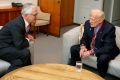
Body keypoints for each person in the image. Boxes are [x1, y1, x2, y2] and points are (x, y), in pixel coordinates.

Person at [69, 9, 119, 78]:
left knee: (103, 59)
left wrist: (90, 52)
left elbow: (107, 48)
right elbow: (84, 38)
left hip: (104, 49)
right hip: (92, 46)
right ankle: (78, 69)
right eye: (90, 18)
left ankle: (100, 77)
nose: (90, 21)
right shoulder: (87, 23)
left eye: (93, 19)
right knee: (74, 49)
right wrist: (83, 46)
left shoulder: (109, 28)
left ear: (101, 20)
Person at [0, 3, 38, 76]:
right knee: (25, 52)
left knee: (18, 62)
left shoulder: (23, 21)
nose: (36, 17)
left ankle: (9, 77)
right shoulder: (17, 24)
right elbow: (19, 45)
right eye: (35, 15)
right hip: (2, 48)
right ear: (27, 15)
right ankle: (29, 70)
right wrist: (27, 39)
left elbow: (20, 32)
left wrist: (26, 34)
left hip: (9, 44)